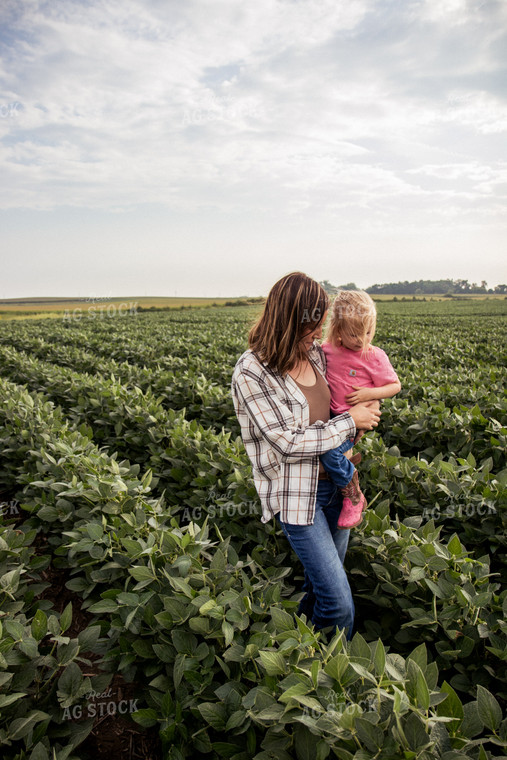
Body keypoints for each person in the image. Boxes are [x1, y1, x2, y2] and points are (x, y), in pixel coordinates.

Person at [230, 272, 381, 640]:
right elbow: (287, 440)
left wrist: (368, 405)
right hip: (299, 498)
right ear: (291, 319)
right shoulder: (251, 371)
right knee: (338, 601)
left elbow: (344, 393)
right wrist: (349, 423)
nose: (321, 331)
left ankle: (292, 656)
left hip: (339, 490)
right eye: (314, 323)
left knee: (319, 590)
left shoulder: (314, 354)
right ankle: (335, 683)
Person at [320, 290, 401, 530]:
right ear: (337, 329)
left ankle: (353, 494)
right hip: (333, 418)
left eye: (368, 332)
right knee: (324, 452)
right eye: (354, 334)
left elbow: (395, 385)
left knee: (330, 454)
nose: (362, 340)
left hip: (354, 421)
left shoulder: (374, 356)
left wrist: (369, 394)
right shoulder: (327, 350)